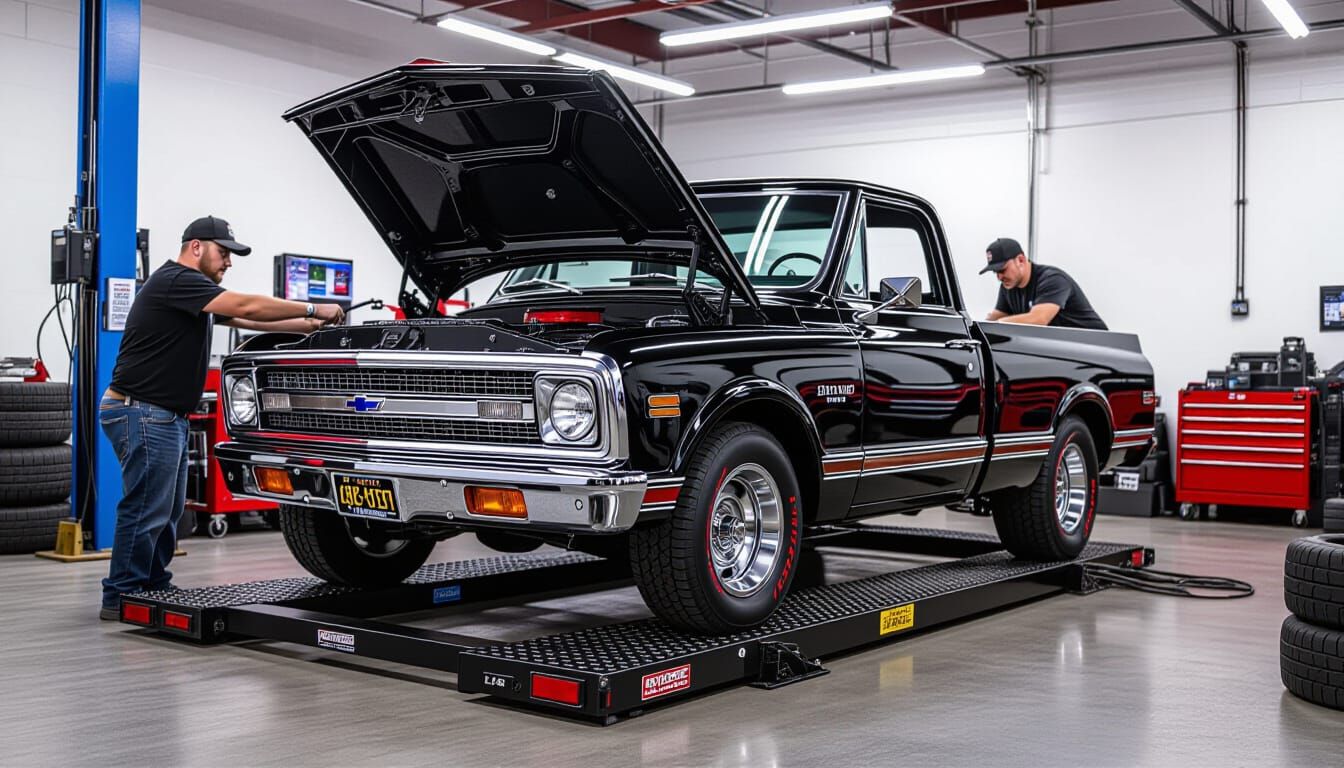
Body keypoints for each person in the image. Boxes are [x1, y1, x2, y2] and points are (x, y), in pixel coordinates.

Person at [98, 216, 344, 620]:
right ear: (196, 247)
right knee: (146, 506)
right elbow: (246, 304)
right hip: (141, 410)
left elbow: (247, 319)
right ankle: (122, 593)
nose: (228, 261)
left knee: (168, 509)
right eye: (223, 252)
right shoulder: (177, 280)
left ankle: (153, 583)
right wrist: (315, 305)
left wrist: (312, 326)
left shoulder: (193, 294)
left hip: (161, 414)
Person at [981, 237, 1107, 330]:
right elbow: (994, 319)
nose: (999, 277)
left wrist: (999, 323)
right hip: (1064, 351)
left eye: (1002, 269)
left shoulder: (1053, 279)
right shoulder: (1008, 286)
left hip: (1096, 350)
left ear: (1020, 260)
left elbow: (1038, 319)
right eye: (995, 272)